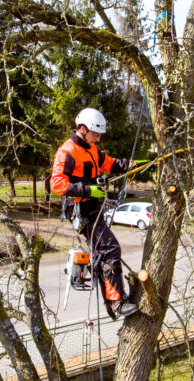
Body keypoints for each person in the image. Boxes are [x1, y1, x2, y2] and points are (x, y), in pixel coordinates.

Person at [50, 108, 142, 319]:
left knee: (102, 253)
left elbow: (108, 163)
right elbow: (57, 183)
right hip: (80, 209)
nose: (98, 139)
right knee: (110, 248)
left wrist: (130, 165)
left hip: (93, 207)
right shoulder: (67, 151)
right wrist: (87, 190)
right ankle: (117, 302)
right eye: (95, 134)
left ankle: (112, 302)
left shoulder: (92, 149)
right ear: (82, 130)